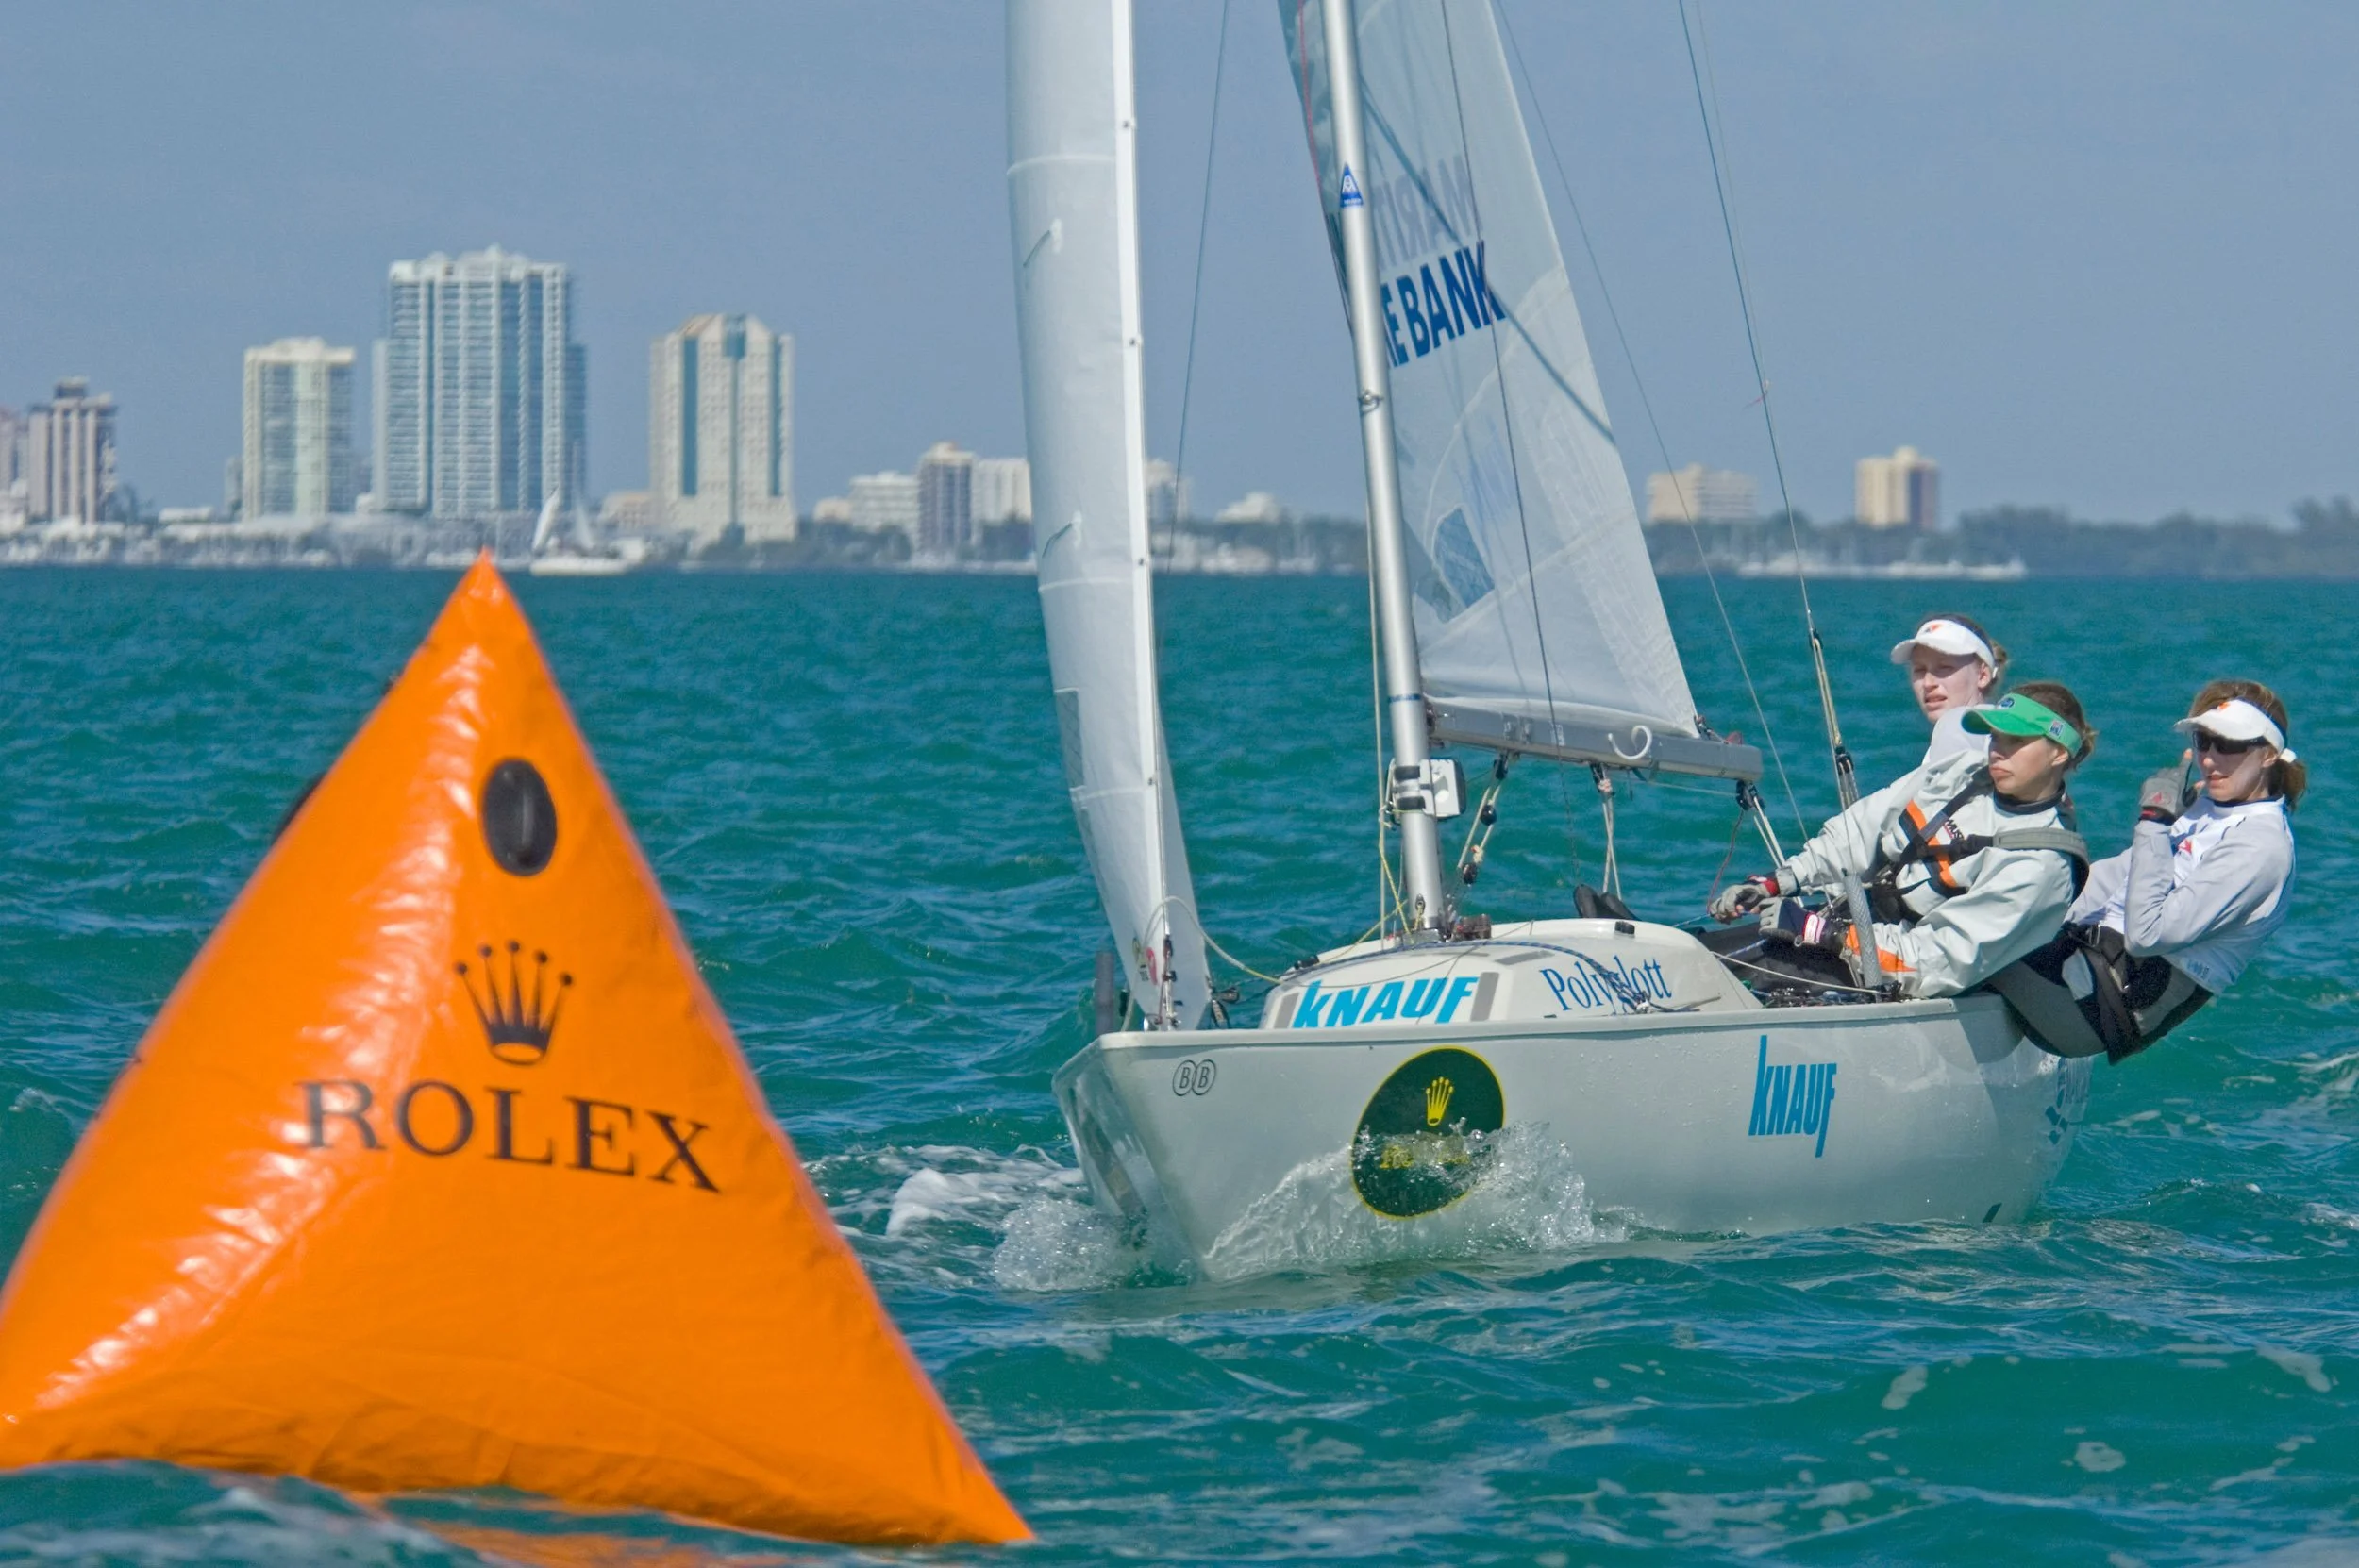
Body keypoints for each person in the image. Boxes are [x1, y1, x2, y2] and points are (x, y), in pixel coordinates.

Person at [1708, 683, 2093, 999]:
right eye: (1994, 737)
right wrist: (1779, 881)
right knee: (1698, 952)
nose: (1996, 751)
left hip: (1902, 977)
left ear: (2059, 753)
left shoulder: (2042, 866)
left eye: (2015, 740)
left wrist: (1823, 933)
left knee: (1714, 983)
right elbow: (1863, 829)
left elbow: (1938, 961)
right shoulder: (1964, 773)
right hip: (1853, 930)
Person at [1993, 680, 2301, 1061]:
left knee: (1969, 953)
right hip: (2073, 966)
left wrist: (2154, 823)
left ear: (2269, 754)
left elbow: (2147, 936)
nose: (2209, 759)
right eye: (2203, 741)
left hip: (2094, 1012)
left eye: (2229, 745)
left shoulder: (2262, 845)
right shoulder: (2205, 808)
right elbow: (2112, 878)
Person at [1892, 614, 2007, 764]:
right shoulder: (1999, 734)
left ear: (1983, 675)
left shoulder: (1956, 725)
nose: (1928, 683)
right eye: (1919, 670)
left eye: (1945, 667)